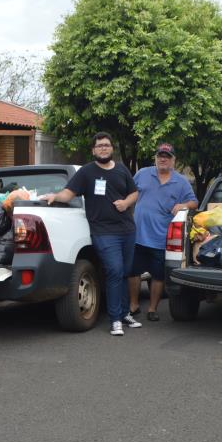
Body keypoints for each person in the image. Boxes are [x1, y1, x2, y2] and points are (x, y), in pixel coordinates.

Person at [45, 132, 141, 336]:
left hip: (127, 230)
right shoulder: (87, 172)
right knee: (114, 271)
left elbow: (134, 193)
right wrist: (54, 196)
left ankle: (125, 314)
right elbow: (68, 193)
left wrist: (126, 203)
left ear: (112, 148)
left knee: (125, 272)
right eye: (99, 146)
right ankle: (115, 319)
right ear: (93, 150)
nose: (103, 148)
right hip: (103, 232)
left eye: (106, 145)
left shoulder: (122, 170)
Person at [127, 143, 198, 321]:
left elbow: (194, 202)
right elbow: (128, 192)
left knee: (158, 276)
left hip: (161, 239)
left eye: (167, 156)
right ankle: (134, 305)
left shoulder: (181, 181)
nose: (163, 159)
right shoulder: (143, 173)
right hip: (138, 236)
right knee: (133, 273)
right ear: (156, 158)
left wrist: (183, 205)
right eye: (160, 155)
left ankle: (152, 309)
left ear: (173, 160)